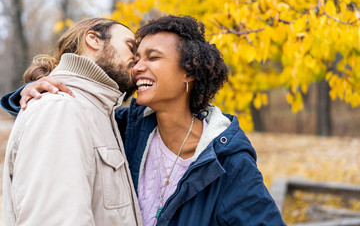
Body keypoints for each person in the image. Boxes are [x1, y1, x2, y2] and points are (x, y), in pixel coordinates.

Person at [2, 15, 286, 225]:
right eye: (135, 55)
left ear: (189, 71)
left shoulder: (225, 160)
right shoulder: (128, 128)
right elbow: (60, 129)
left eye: (152, 57)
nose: (137, 67)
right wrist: (37, 88)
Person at [1, 17, 143, 225]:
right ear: (93, 39)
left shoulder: (98, 113)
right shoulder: (61, 110)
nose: (138, 61)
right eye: (131, 48)